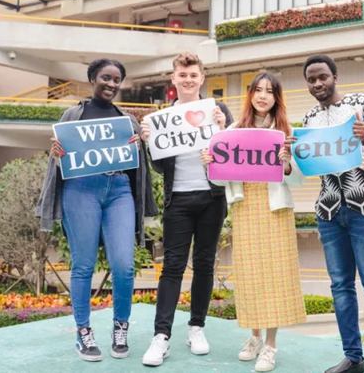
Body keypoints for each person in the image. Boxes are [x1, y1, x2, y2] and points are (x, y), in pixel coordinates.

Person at [37, 58, 158, 362]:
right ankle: (83, 332)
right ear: (93, 78)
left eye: (117, 80)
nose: (111, 84)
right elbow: (61, 160)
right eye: (106, 77)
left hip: (119, 190)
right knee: (83, 265)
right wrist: (56, 154)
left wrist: (138, 146)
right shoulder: (72, 115)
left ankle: (120, 328)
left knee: (124, 265)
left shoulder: (127, 120)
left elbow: (139, 165)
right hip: (81, 190)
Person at [290, 54, 364, 373]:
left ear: (335, 77)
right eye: (311, 80)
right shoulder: (309, 118)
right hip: (329, 210)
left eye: (322, 76)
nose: (317, 83)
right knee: (340, 286)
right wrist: (290, 155)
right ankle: (353, 357)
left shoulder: (362, 104)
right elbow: (305, 168)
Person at [140, 52, 233, 367]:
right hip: (177, 199)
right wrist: (149, 142)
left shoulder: (218, 111)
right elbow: (159, 166)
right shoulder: (162, 117)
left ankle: (197, 327)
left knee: (204, 264)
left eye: (193, 75)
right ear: (174, 79)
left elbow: (230, 154)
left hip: (212, 198)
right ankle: (161, 336)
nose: (188, 80)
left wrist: (223, 128)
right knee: (172, 267)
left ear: (202, 77)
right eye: (183, 75)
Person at [209, 72, 306, 372]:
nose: (263, 96)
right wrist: (210, 161)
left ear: (277, 98)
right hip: (246, 205)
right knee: (250, 273)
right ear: (250, 94)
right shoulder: (234, 130)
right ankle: (254, 336)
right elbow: (220, 177)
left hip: (275, 207)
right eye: (258, 90)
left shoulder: (286, 131)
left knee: (274, 274)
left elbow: (298, 178)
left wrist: (286, 161)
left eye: (269, 91)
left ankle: (271, 345)